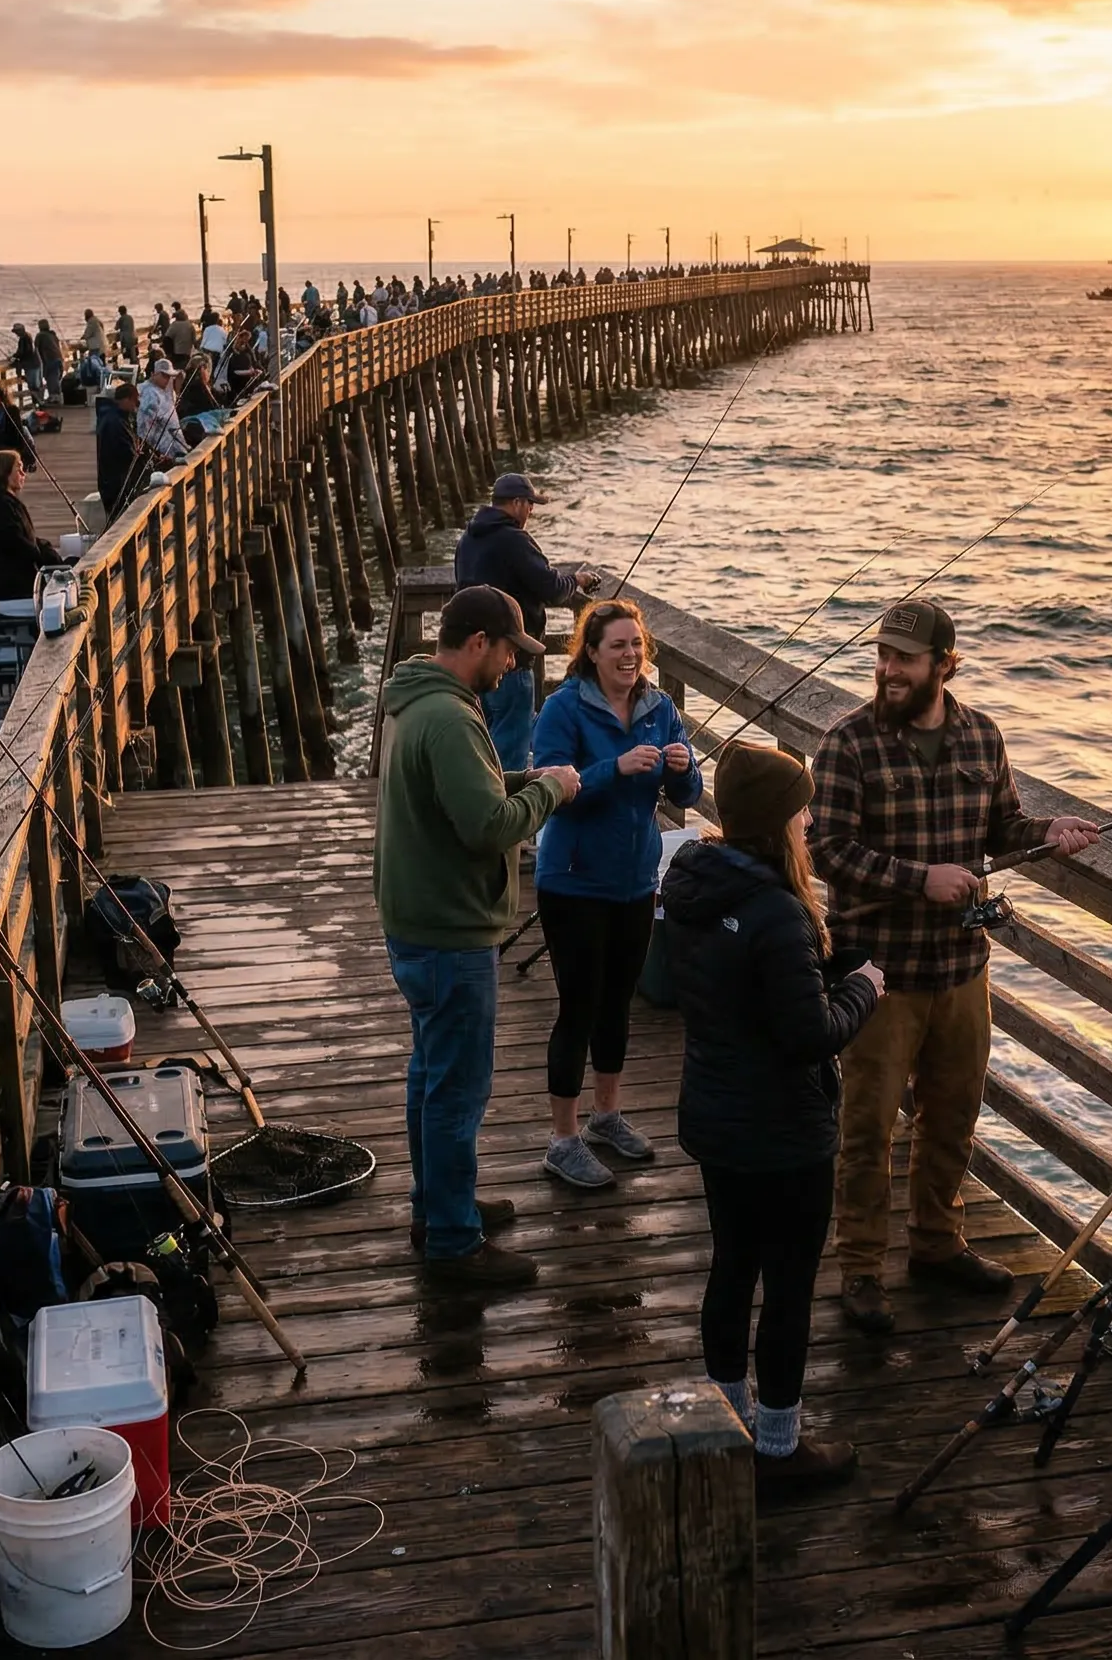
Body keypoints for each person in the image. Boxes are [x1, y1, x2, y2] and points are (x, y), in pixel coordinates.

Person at [810, 600, 1101, 1333]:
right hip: (878, 975)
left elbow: (1003, 828)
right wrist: (920, 879)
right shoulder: (848, 743)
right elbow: (825, 850)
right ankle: (862, 1269)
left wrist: (1048, 830)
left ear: (944, 663)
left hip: (963, 970)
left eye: (903, 659)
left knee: (954, 1120)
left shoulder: (982, 736)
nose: (887, 670)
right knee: (867, 1129)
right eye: (881, 655)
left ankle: (939, 1245)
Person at [662, 744, 883, 1488]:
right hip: (784, 1135)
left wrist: (823, 966)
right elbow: (809, 1037)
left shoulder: (696, 882)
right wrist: (865, 989)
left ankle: (727, 1426)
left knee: (732, 1268)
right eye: (802, 808)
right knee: (787, 1290)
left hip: (719, 1119)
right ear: (776, 820)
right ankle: (780, 1451)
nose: (811, 818)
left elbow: (740, 987)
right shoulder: (778, 909)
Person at [374, 585, 581, 1288]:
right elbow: (489, 827)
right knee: (458, 1091)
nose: (513, 669)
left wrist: (527, 776)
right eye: (509, 654)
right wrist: (552, 793)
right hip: (449, 933)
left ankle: (437, 1207)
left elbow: (467, 793)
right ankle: (455, 1242)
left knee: (431, 1078)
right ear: (479, 643)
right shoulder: (452, 719)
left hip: (418, 923)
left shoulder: (419, 701)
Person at [528, 599, 702, 1188]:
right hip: (572, 880)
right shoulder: (563, 708)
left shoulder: (661, 707)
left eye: (637, 645)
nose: (630, 656)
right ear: (592, 653)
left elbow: (691, 787)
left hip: (634, 880)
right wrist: (614, 767)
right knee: (578, 1005)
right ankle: (563, 1138)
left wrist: (681, 768)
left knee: (618, 1003)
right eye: (617, 646)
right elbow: (550, 785)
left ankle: (607, 1115)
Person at [453, 471, 598, 770]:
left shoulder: (468, 539)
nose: (531, 511)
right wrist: (578, 580)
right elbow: (552, 588)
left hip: (474, 661)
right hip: (511, 662)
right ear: (517, 503)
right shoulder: (515, 540)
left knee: (480, 744)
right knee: (511, 755)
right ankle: (505, 812)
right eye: (530, 504)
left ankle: (475, 806)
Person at [0, 451, 64, 604]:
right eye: (18, 468)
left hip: (13, 583)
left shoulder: (1, 501)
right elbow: (17, 545)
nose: (23, 473)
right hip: (9, 589)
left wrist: (46, 549)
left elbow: (24, 539)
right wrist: (49, 558)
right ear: (5, 473)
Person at [95, 381, 140, 514]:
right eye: (135, 401)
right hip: (115, 484)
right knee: (120, 516)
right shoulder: (115, 422)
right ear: (126, 400)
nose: (136, 406)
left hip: (113, 482)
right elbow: (127, 453)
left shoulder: (115, 417)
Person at [138, 357, 190, 462]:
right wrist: (154, 452)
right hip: (162, 450)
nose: (168, 380)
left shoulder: (165, 390)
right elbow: (144, 428)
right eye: (164, 376)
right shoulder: (149, 394)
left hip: (175, 446)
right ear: (154, 374)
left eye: (170, 376)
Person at [10, 324, 43, 407]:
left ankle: (38, 403)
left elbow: (24, 352)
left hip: (31, 365)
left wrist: (15, 356)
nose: (16, 334)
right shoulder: (28, 336)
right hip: (35, 363)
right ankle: (38, 403)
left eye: (17, 332)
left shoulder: (23, 339)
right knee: (36, 385)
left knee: (33, 386)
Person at [34, 319, 65, 406]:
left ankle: (54, 397)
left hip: (50, 360)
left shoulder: (39, 335)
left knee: (51, 378)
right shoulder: (53, 335)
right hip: (59, 359)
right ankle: (57, 396)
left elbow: (36, 350)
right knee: (55, 378)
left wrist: (38, 363)